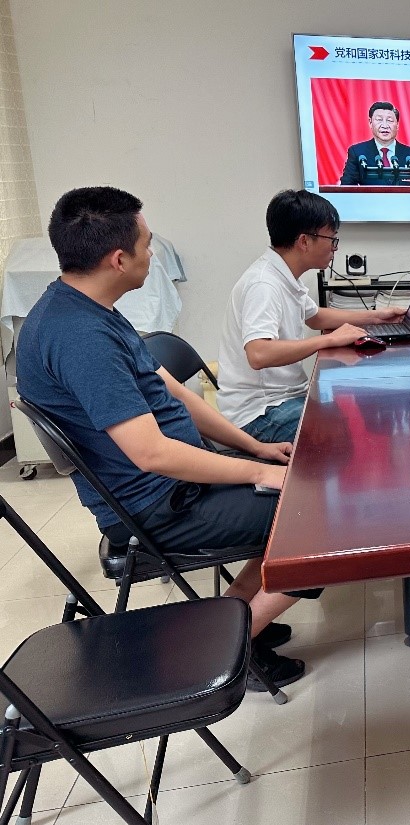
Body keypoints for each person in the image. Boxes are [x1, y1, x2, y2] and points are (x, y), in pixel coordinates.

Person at [17, 186, 317, 690]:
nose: (152, 254)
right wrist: (262, 473)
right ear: (118, 259)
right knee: (317, 519)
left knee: (297, 495)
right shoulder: (80, 337)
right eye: (147, 244)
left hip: (175, 485)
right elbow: (151, 453)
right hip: (157, 506)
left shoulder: (88, 308)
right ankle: (224, 652)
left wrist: (255, 448)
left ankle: (239, 618)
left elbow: (173, 390)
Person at [216, 189, 405, 443]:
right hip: (259, 412)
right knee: (340, 437)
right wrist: (329, 340)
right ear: (304, 241)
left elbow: (315, 317)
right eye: (332, 239)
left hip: (283, 398)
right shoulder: (264, 284)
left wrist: (378, 316)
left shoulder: (282, 274)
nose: (335, 248)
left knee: (347, 413)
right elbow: (258, 354)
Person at [339, 101, 410, 186]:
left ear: (397, 125)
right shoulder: (358, 153)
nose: (385, 125)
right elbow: (346, 187)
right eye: (379, 120)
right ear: (370, 123)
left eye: (390, 120)